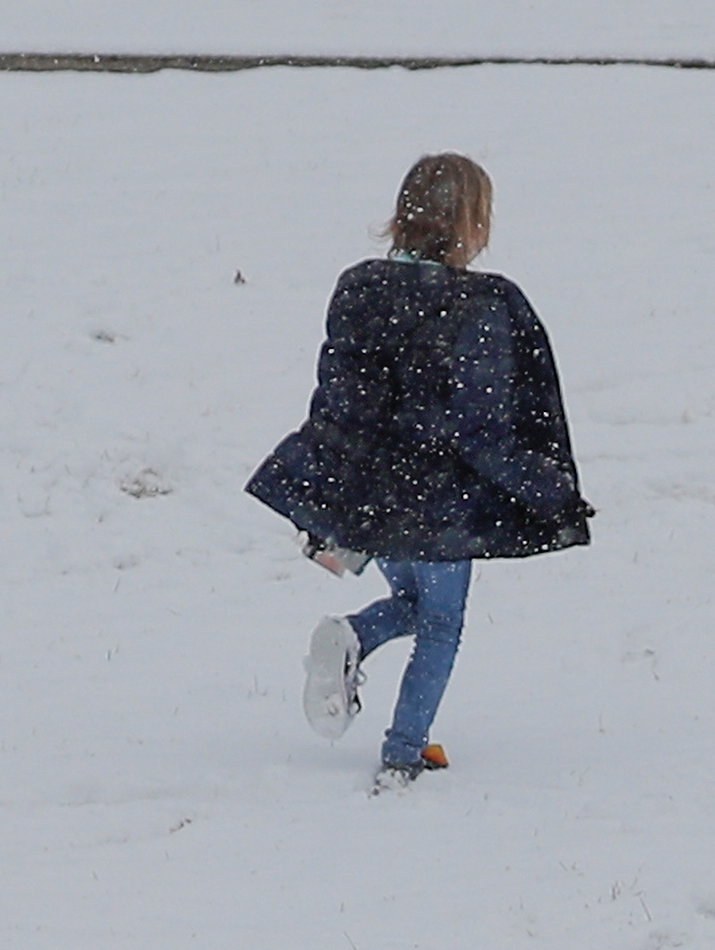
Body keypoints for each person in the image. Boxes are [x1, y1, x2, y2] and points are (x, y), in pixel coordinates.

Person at [246, 153, 592, 795]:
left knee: (414, 603)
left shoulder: (359, 287)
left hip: (373, 497)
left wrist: (324, 483)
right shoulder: (482, 304)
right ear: (471, 223)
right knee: (441, 624)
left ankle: (352, 635)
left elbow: (340, 398)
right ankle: (403, 753)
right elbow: (480, 426)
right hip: (440, 504)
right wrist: (548, 491)